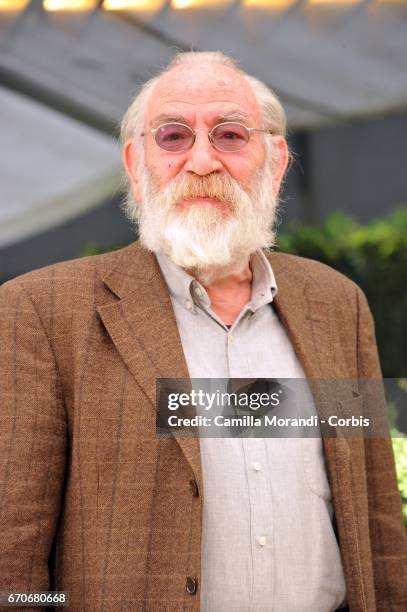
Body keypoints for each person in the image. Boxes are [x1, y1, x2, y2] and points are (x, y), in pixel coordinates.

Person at [0, 51, 405, 612]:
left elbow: (376, 515)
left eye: (231, 135)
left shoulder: (336, 304)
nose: (202, 162)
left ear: (277, 161)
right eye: (172, 137)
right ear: (137, 165)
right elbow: (11, 553)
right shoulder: (42, 311)